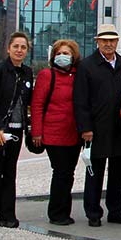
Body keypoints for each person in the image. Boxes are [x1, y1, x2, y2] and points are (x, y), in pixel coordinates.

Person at [73, 24, 121, 228]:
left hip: (120, 128)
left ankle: (116, 210)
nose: (108, 44)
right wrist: (85, 128)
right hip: (96, 128)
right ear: (98, 42)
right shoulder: (87, 66)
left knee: (118, 171)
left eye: (112, 40)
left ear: (117, 41)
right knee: (95, 172)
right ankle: (93, 212)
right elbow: (80, 100)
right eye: (104, 40)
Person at [0, 32, 33, 229]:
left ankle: (8, 214)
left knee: (10, 171)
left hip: (17, 130)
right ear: (8, 48)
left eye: (23, 47)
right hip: (0, 130)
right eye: (16, 46)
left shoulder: (27, 72)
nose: (19, 50)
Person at [31, 39, 82, 226]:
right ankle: (57, 213)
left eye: (66, 53)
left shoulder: (78, 76)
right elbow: (37, 104)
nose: (62, 57)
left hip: (74, 133)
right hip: (53, 133)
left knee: (69, 173)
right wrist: (37, 132)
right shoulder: (47, 75)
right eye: (59, 53)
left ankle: (64, 211)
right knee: (60, 172)